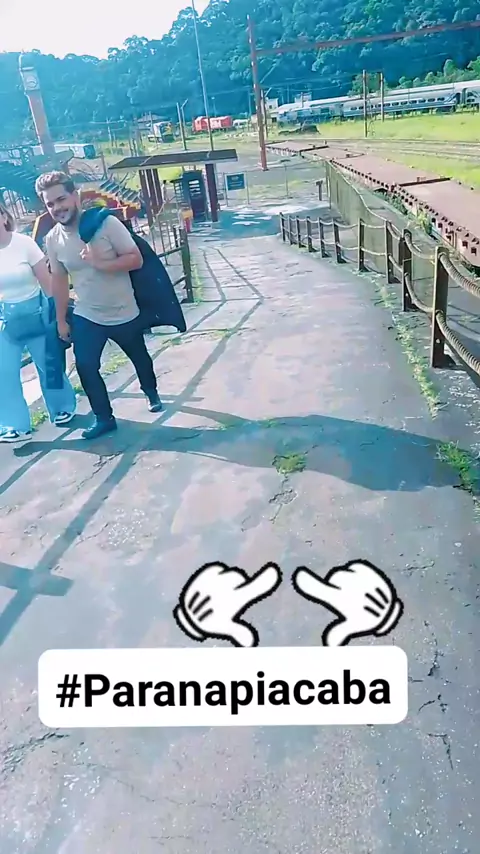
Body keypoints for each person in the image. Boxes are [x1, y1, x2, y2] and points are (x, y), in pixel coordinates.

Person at [36, 172, 162, 441]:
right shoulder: (53, 239)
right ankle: (104, 418)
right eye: (50, 204)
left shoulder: (106, 224)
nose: (57, 207)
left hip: (123, 310)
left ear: (75, 195)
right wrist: (61, 319)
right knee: (85, 365)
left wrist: (100, 263)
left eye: (61, 199)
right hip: (87, 313)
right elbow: (59, 279)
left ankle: (150, 391)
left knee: (139, 358)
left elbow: (136, 259)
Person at [0, 199, 76, 443]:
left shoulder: (24, 244)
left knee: (47, 364)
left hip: (36, 312)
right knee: (4, 373)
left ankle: (62, 408)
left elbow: (47, 282)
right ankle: (15, 425)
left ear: (4, 217)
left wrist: (57, 316)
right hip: (5, 319)